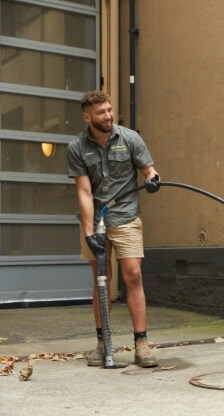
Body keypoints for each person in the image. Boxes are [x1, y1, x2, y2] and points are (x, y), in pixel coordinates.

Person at [67, 90, 161, 368]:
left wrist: (154, 180)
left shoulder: (130, 138)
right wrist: (88, 232)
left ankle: (141, 344)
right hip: (95, 220)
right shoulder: (77, 147)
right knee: (101, 280)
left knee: (133, 275)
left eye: (109, 110)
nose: (107, 115)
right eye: (101, 112)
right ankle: (102, 343)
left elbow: (150, 171)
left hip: (126, 217)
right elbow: (84, 192)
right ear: (87, 117)